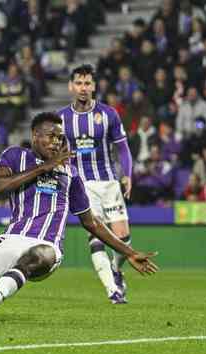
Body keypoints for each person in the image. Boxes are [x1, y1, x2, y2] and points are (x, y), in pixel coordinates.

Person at [0, 113, 158, 324]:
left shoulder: (71, 174)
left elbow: (91, 222)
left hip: (47, 246)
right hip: (11, 238)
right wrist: (42, 168)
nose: (57, 142)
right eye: (51, 136)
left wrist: (129, 251)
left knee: (39, 255)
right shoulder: (15, 156)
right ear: (35, 136)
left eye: (60, 138)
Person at [56, 65, 135, 304]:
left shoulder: (109, 114)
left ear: (94, 86)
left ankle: (116, 270)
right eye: (79, 83)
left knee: (123, 238)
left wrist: (128, 174)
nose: (83, 88)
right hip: (82, 186)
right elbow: (55, 152)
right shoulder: (61, 118)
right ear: (71, 86)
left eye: (88, 83)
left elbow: (122, 147)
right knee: (96, 236)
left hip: (109, 183)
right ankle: (113, 291)